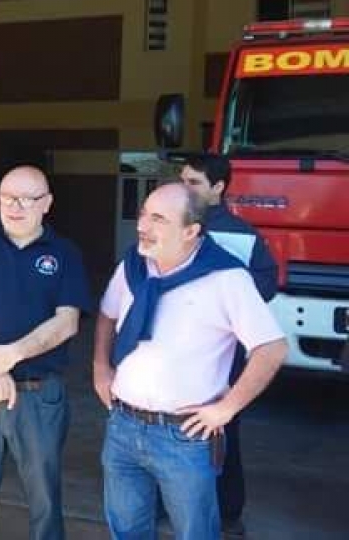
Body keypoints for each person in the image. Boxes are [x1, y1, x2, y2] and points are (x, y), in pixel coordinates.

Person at [93, 183, 287, 540]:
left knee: (194, 533)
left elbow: (271, 348)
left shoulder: (226, 278)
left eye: (159, 219)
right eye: (143, 214)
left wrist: (226, 409)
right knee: (127, 530)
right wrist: (100, 369)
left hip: (184, 436)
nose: (143, 226)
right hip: (123, 424)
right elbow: (107, 314)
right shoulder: (134, 265)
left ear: (191, 231)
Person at [0, 165, 91, 540]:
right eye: (8, 198)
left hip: (40, 396)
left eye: (28, 199)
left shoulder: (65, 253)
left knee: (45, 499)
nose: (16, 206)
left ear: (47, 204)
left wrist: (11, 355)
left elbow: (67, 322)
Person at [180, 153, 279, 537]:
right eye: (183, 180)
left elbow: (267, 283)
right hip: (175, 350)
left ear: (218, 188)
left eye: (194, 183)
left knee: (222, 426)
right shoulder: (171, 225)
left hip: (224, 351)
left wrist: (227, 301)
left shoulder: (242, 235)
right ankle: (165, 501)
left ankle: (226, 509)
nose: (184, 188)